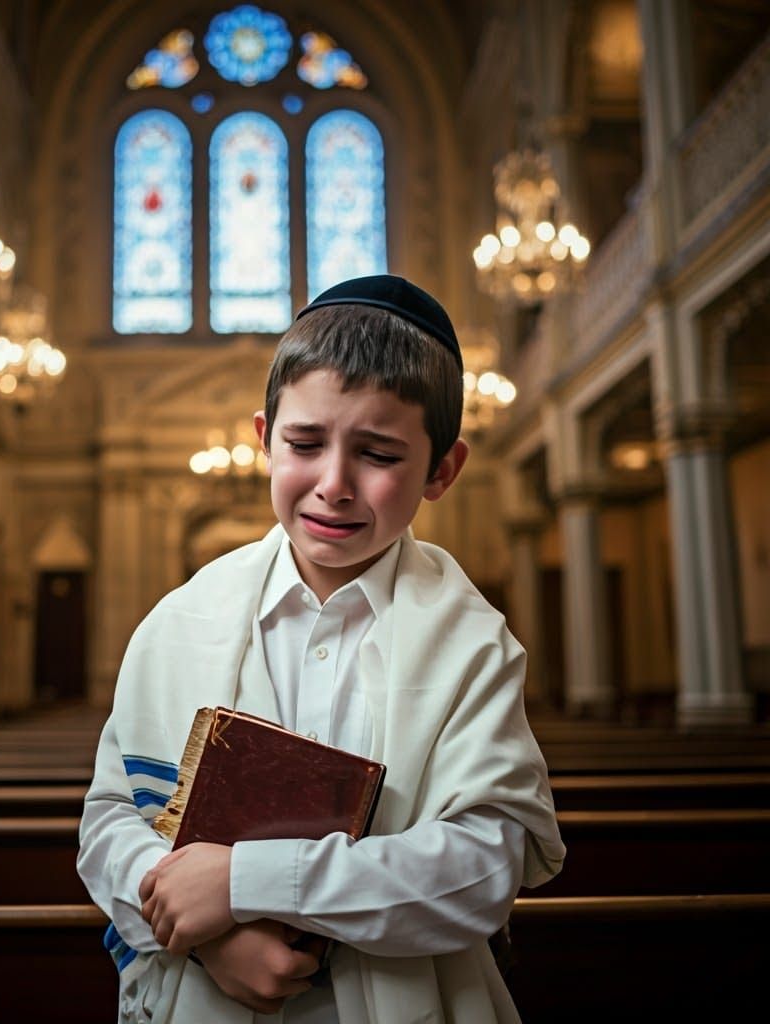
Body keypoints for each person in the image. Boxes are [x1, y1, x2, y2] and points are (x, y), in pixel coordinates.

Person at [78, 274, 565, 1023]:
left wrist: (250, 882)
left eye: (378, 454)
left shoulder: (472, 644)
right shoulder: (178, 622)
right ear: (263, 439)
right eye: (305, 443)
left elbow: (482, 866)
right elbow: (111, 821)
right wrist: (200, 932)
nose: (333, 485)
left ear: (443, 469)